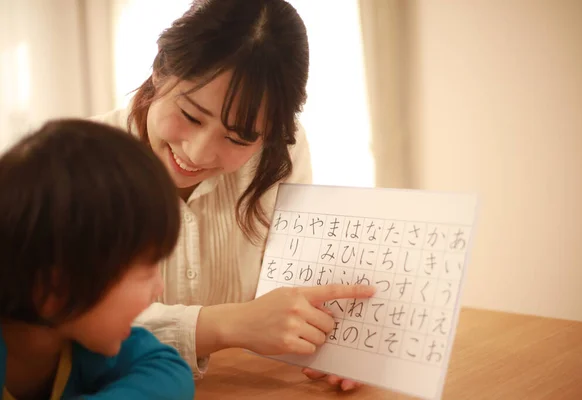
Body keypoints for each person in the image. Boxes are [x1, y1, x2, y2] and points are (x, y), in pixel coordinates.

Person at [94, 0, 374, 391]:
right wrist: (226, 325)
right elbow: (58, 329)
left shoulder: (280, 155)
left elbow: (300, 281)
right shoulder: (81, 163)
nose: (198, 153)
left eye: (238, 138)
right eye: (191, 115)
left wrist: (335, 339)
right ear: (160, 69)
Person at [0, 119, 195, 399]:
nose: (159, 287)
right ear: (56, 288)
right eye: (147, 268)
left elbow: (169, 370)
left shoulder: (78, 342)